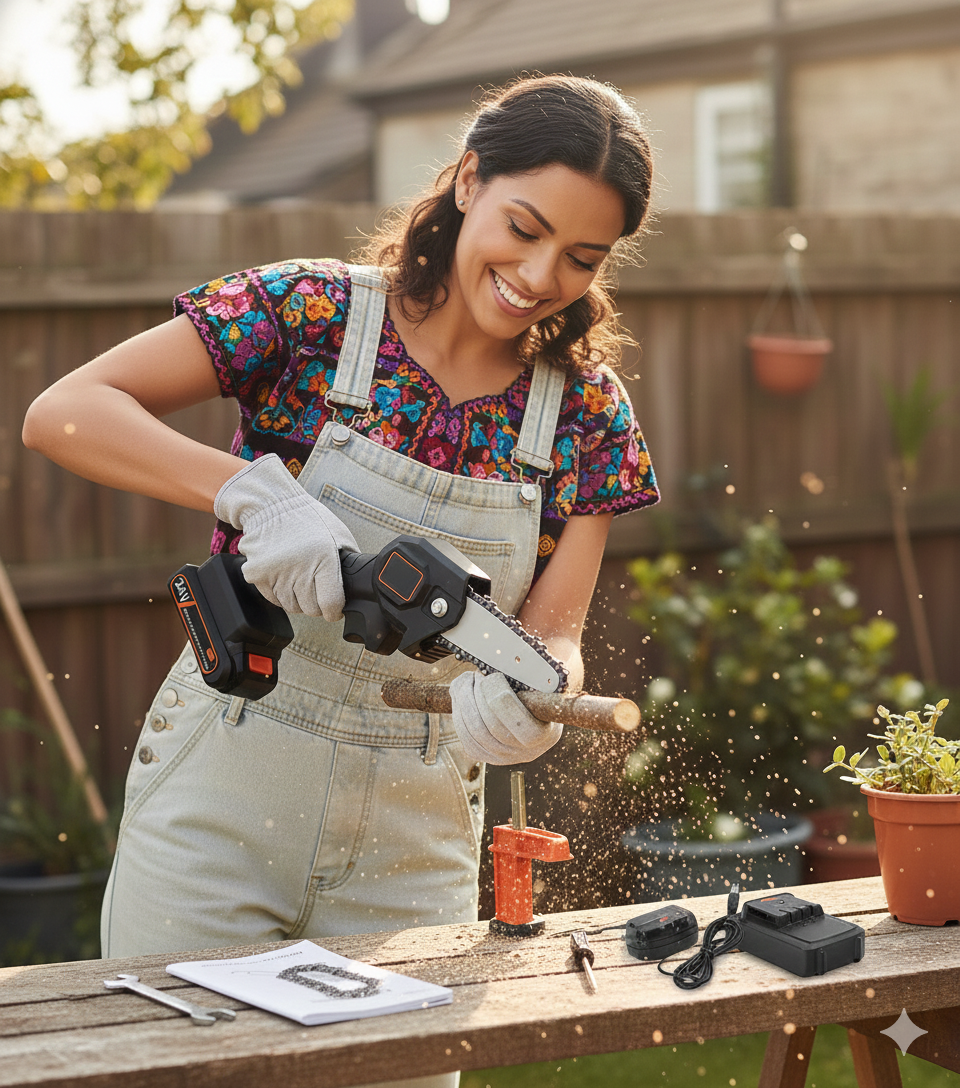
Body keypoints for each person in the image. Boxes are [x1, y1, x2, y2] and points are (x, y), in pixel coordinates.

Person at [22, 73, 658, 1087]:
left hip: (417, 824)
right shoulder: (309, 312)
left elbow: (558, 631)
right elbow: (63, 411)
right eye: (524, 228)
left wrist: (538, 693)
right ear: (467, 180)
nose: (540, 275)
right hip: (228, 779)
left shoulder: (584, 410)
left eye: (581, 258)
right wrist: (254, 496)